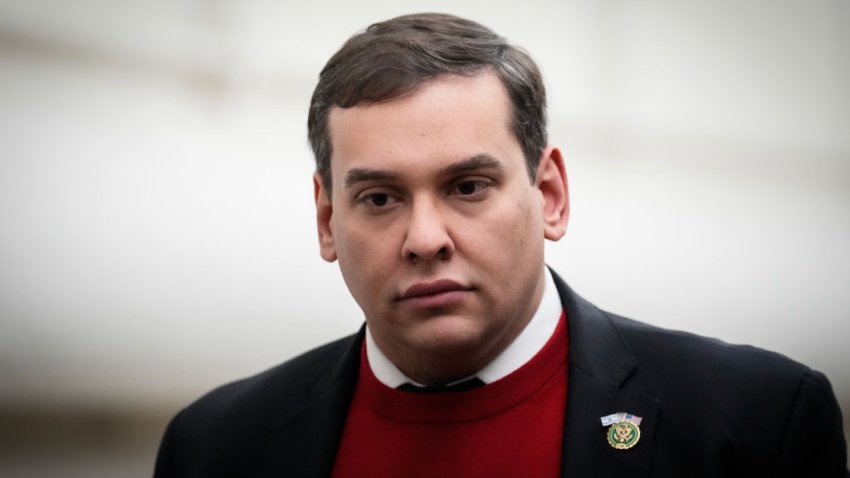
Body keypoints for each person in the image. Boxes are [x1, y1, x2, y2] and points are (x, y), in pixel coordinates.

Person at [153, 12, 848, 477]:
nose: (425, 239)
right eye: (379, 199)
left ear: (549, 195)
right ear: (328, 220)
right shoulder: (216, 448)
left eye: (468, 186)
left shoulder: (755, 425)